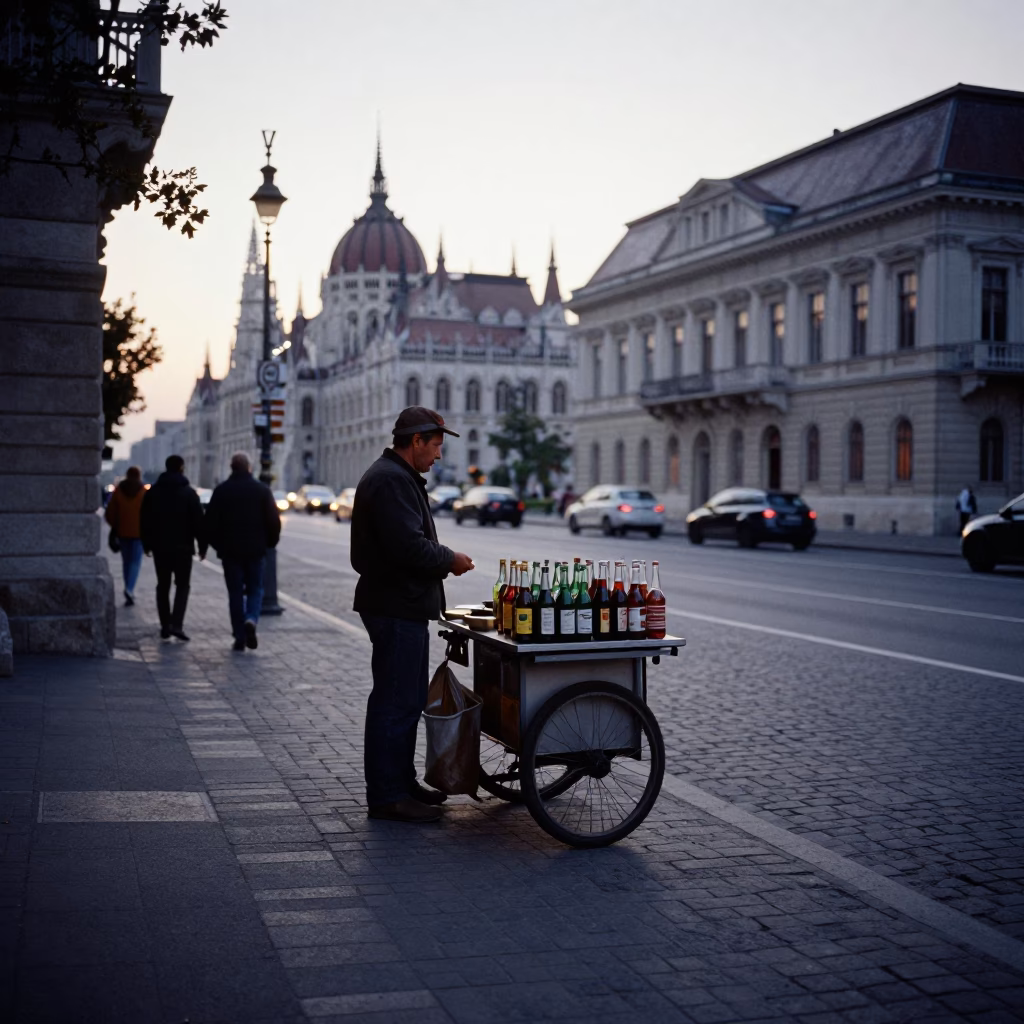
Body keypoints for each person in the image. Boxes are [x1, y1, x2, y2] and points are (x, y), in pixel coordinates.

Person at [351, 406, 475, 824]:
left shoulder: (396, 477)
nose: (438, 456)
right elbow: (409, 547)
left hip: (397, 603)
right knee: (395, 703)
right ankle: (388, 796)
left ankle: (401, 784)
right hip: (394, 604)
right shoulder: (390, 481)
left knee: (401, 700)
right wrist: (450, 559)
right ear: (416, 440)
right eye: (436, 445)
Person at [204, 452, 281, 652]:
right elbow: (274, 521)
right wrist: (269, 544)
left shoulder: (221, 491)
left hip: (230, 552)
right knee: (256, 589)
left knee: (235, 593)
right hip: (256, 550)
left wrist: (218, 546)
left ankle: (239, 635)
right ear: (249, 468)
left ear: (231, 467)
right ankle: (251, 619)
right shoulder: (261, 490)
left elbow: (210, 524)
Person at [140, 454, 206, 641]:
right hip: (183, 548)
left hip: (160, 548)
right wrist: (202, 546)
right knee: (182, 586)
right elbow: (198, 522)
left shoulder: (153, 492)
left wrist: (146, 544)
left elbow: (145, 520)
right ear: (181, 468)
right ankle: (177, 624)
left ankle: (165, 625)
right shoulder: (189, 493)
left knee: (163, 586)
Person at [104, 466, 146, 606]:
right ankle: (130, 588)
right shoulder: (143, 492)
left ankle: (128, 587)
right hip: (139, 533)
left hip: (122, 533)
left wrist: (116, 526)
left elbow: (109, 512)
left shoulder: (119, 491)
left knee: (126, 561)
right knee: (135, 562)